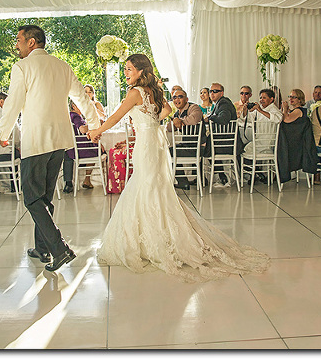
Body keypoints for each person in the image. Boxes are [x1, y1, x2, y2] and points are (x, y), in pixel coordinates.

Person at [87, 54, 270, 282]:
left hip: (146, 143)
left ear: (141, 71)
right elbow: (166, 111)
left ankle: (150, 240)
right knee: (155, 187)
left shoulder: (135, 92)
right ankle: (158, 236)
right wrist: (150, 122)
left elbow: (116, 117)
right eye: (125, 69)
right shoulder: (154, 91)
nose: (126, 72)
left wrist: (97, 131)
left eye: (129, 68)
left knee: (146, 186)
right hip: (156, 141)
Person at [0, 25, 99, 272]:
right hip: (60, 141)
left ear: (31, 42)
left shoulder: (22, 67)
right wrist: (95, 124)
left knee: (32, 198)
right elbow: (82, 98)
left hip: (37, 140)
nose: (17, 45)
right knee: (44, 197)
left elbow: (13, 103)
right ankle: (41, 248)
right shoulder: (62, 66)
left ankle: (59, 248)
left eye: (19, 40)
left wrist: (3, 132)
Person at [166, 87, 203, 190]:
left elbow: (194, 119)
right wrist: (174, 121)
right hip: (187, 146)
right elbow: (169, 128)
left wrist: (180, 121)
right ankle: (187, 180)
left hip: (198, 147)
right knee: (168, 150)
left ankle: (183, 182)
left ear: (186, 99)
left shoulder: (194, 107)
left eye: (180, 97)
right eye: (174, 98)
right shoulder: (177, 113)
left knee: (168, 152)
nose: (177, 99)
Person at [62, 101, 101, 193]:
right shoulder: (75, 116)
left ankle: (85, 180)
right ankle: (88, 180)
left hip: (71, 148)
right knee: (98, 151)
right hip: (80, 148)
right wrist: (93, 125)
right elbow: (82, 130)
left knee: (97, 147)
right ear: (74, 106)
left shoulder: (69, 116)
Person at [203, 83, 237, 185]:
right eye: (210, 91)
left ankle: (219, 176)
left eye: (215, 91)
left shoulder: (224, 103)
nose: (212, 93)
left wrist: (210, 118)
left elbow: (224, 119)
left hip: (226, 144)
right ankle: (219, 175)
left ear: (221, 93)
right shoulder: (219, 103)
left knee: (201, 148)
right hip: (222, 142)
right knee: (204, 144)